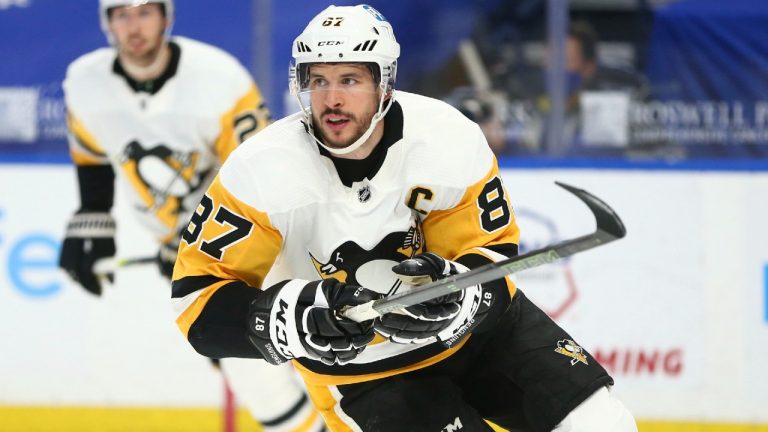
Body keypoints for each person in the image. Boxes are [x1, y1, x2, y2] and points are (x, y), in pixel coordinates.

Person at [171, 4, 638, 432]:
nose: (331, 99)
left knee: (603, 423)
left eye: (350, 80)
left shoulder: (448, 137)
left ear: (385, 84)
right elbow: (196, 305)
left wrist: (462, 293)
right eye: (319, 81)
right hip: (366, 375)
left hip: (482, 338)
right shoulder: (260, 169)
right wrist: (284, 318)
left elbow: (494, 259)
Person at [58, 1, 325, 430]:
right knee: (242, 361)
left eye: (145, 11)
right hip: (187, 251)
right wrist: (93, 216)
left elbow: (265, 177)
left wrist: (197, 245)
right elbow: (91, 150)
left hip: (260, 241)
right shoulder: (86, 83)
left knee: (299, 346)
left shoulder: (219, 80)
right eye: (121, 14)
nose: (134, 26)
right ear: (107, 24)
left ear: (167, 17)